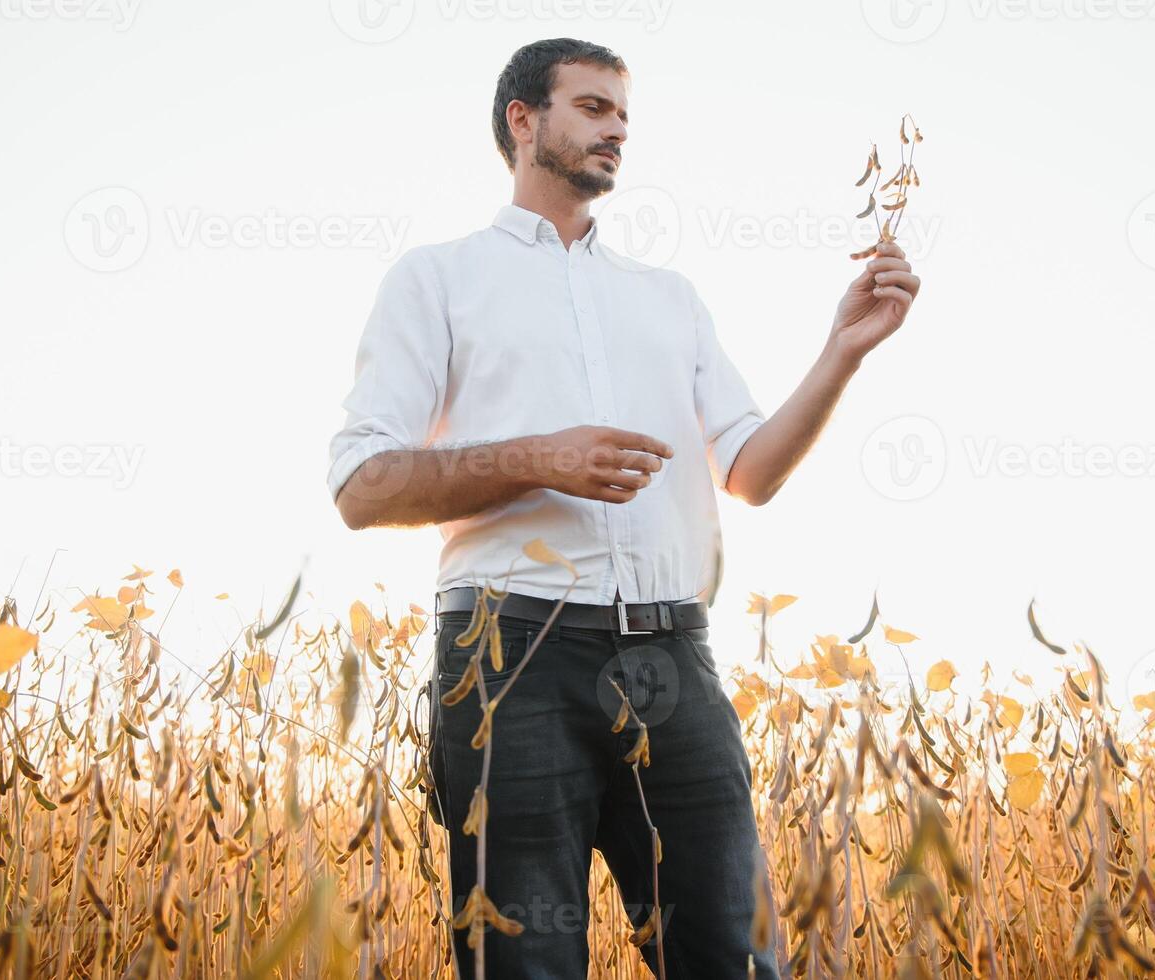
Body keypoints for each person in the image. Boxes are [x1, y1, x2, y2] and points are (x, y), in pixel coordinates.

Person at [326, 37, 921, 979]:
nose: (617, 130)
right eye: (594, 108)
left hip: (673, 659)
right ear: (523, 121)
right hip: (509, 657)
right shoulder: (436, 280)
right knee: (526, 963)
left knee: (733, 955)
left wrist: (844, 348)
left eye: (624, 117)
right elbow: (362, 488)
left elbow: (753, 472)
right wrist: (540, 458)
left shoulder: (669, 299)